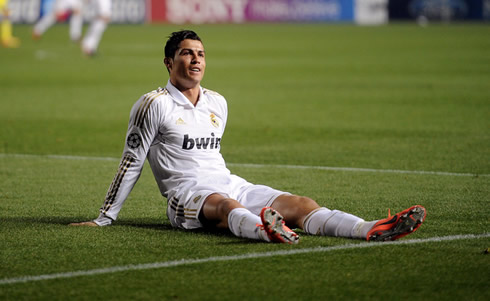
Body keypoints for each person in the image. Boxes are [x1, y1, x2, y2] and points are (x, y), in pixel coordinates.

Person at [70, 30, 427, 244]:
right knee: (227, 209)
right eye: (186, 54)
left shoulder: (217, 103)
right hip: (186, 196)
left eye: (201, 54)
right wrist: (105, 217)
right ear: (168, 62)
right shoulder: (153, 105)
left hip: (229, 182)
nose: (195, 60)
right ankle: (266, 230)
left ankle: (371, 228)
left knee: (301, 204)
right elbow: (130, 162)